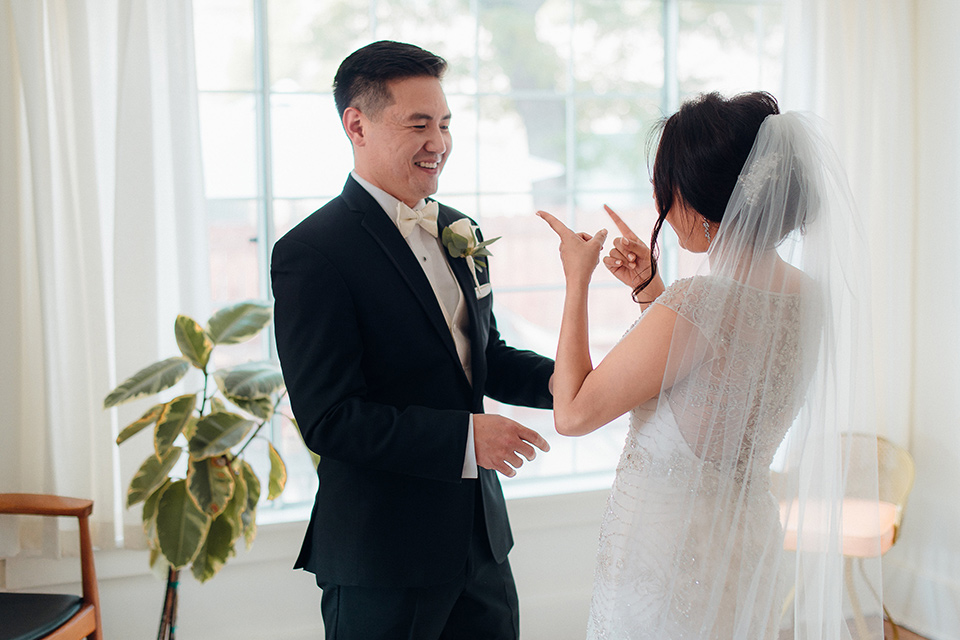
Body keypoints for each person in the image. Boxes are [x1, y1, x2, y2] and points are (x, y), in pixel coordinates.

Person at [539, 92, 880, 639]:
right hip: (746, 542)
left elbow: (573, 413)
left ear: (698, 203)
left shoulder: (697, 304)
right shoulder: (809, 298)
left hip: (667, 559)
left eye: (665, 192)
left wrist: (576, 279)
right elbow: (717, 382)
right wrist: (653, 292)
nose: (662, 211)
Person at [270, 40, 555, 640]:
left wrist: (579, 382)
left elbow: (487, 360)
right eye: (419, 124)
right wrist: (464, 437)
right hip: (383, 557)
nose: (440, 144)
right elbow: (331, 418)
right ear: (357, 125)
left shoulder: (459, 228)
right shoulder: (311, 253)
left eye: (446, 124)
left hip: (481, 545)